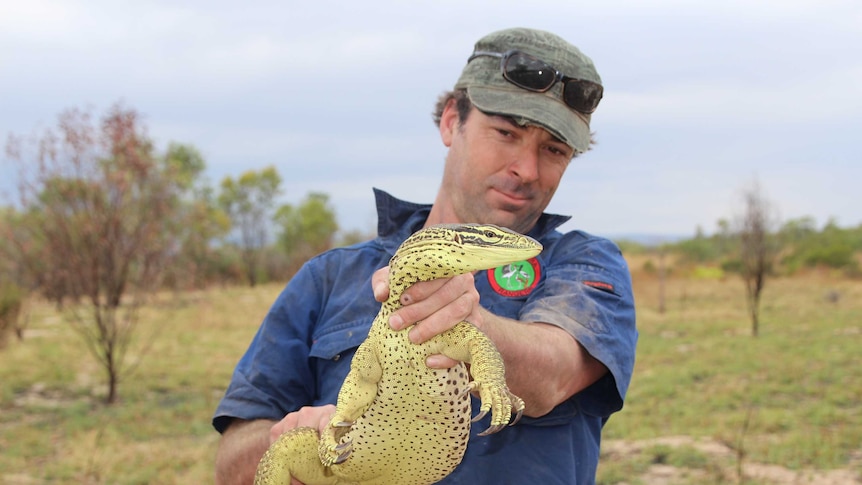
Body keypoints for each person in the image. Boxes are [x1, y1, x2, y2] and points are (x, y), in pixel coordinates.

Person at [213, 27, 637, 485]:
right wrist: (291, 443)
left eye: (553, 149)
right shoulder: (330, 277)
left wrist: (467, 324)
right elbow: (234, 455)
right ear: (452, 121)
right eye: (506, 133)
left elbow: (553, 373)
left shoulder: (585, 264)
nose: (526, 170)